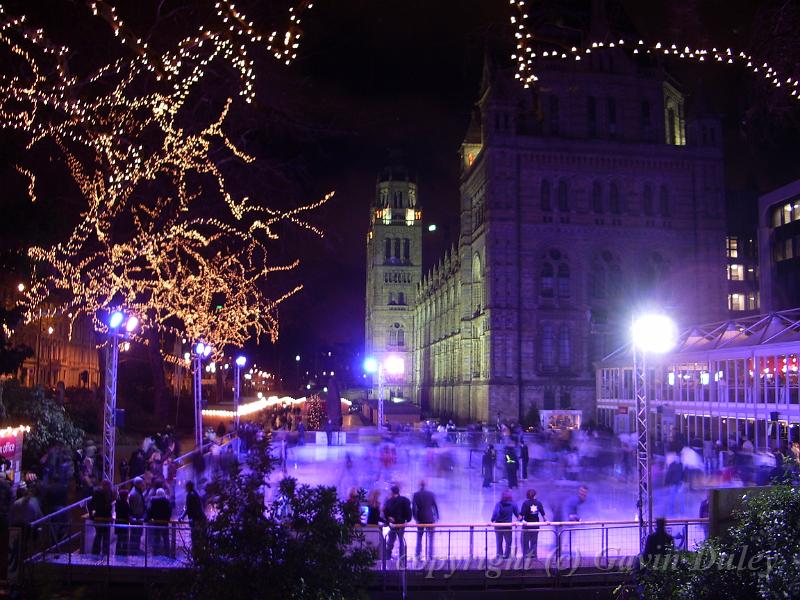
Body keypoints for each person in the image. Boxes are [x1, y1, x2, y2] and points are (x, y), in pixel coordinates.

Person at [382, 485, 412, 561]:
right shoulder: (404, 500)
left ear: (392, 492)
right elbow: (409, 511)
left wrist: (388, 518)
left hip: (393, 524)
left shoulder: (389, 501)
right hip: (401, 524)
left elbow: (385, 512)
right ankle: (402, 558)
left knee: (391, 541)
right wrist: (407, 520)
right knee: (401, 540)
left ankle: (388, 557)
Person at [411, 480, 439, 561]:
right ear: (426, 485)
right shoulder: (431, 494)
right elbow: (434, 506)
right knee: (431, 538)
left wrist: (415, 518)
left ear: (419, 485)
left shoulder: (416, 495)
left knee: (419, 537)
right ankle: (430, 556)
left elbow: (413, 508)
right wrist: (437, 516)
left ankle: (418, 555)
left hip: (420, 518)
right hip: (430, 518)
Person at [180, 480, 207, 557]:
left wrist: (182, 517)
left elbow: (189, 508)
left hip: (197, 520)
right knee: (200, 538)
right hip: (200, 519)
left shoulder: (190, 495)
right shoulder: (195, 494)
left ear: (188, 487)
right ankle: (201, 556)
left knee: (196, 538)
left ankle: (197, 557)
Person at [490, 489, 519, 559]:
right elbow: (518, 515)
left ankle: (499, 556)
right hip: (508, 526)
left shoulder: (498, 504)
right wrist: (521, 520)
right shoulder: (513, 504)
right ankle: (507, 556)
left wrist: (492, 520)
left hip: (498, 526)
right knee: (508, 542)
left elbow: (495, 513)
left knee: (499, 542)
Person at [88, 480, 114, 556]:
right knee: (101, 536)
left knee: (102, 536)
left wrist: (92, 515)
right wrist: (91, 514)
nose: (109, 487)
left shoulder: (109, 492)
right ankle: (99, 553)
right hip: (101, 518)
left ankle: (101, 553)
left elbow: (91, 504)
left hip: (103, 518)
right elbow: (91, 504)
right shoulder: (99, 493)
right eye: (107, 485)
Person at [520, 488, 546, 559]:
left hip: (527, 526)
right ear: (535, 495)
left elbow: (520, 515)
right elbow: (543, 514)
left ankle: (526, 557)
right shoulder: (539, 503)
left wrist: (521, 521)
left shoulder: (525, 503)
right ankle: (534, 557)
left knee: (525, 542)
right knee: (534, 542)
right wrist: (546, 521)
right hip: (535, 525)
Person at [147, 488, 173, 556]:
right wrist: (168, 518)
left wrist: (150, 518)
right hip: (165, 521)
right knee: (166, 537)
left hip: (156, 521)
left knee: (156, 537)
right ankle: (167, 553)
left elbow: (150, 510)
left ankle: (155, 553)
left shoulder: (153, 500)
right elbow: (169, 510)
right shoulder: (167, 500)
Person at [128, 477, 147, 555]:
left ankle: (136, 549)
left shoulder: (137, 492)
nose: (143, 484)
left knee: (137, 534)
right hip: (137, 516)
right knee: (135, 534)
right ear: (138, 484)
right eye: (141, 483)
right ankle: (134, 550)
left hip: (138, 516)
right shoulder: (134, 493)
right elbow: (134, 507)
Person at [115, 488, 131, 556]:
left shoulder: (117, 503)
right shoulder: (125, 503)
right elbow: (127, 513)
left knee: (119, 539)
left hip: (118, 522)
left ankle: (117, 553)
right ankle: (124, 553)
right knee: (125, 539)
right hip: (124, 522)